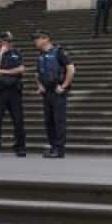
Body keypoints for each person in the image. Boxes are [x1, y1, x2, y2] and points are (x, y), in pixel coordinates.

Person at [32, 30, 73, 158]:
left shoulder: (59, 51)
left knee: (58, 121)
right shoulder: (41, 55)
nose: (35, 41)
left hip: (57, 91)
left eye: (37, 39)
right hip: (47, 93)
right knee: (49, 121)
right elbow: (37, 73)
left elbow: (71, 69)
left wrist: (64, 86)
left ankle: (59, 149)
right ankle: (53, 147)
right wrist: (39, 86)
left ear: (46, 39)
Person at [0, 31, 25, 158]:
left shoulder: (17, 53)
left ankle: (20, 147)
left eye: (10, 41)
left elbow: (21, 69)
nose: (9, 43)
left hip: (14, 91)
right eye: (6, 41)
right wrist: (1, 53)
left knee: (18, 121)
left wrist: (3, 71)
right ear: (1, 42)